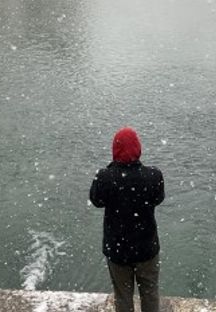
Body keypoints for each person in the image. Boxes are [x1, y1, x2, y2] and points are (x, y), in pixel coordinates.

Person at [90, 127, 165, 312]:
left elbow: (96, 200)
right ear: (138, 150)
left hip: (118, 250)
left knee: (123, 297)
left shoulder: (105, 177)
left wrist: (112, 169)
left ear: (115, 151)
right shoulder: (154, 176)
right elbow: (158, 198)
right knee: (150, 293)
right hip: (146, 248)